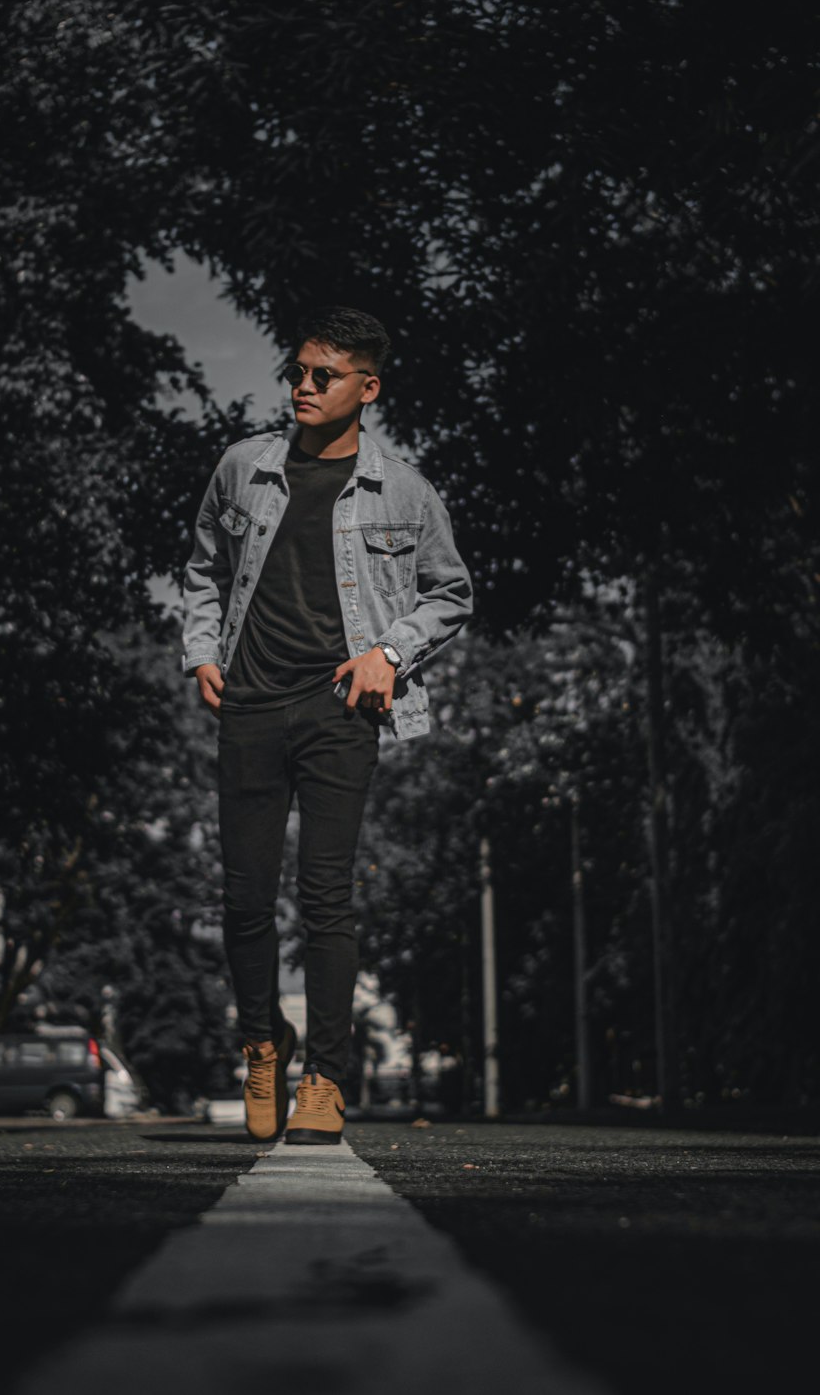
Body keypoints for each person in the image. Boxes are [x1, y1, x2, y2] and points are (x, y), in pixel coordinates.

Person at [181, 306, 473, 1145]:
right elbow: (204, 564)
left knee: (325, 901)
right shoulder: (244, 468)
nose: (303, 388)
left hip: (343, 709)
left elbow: (450, 592)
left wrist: (390, 650)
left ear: (367, 387)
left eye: (323, 376)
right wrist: (202, 649)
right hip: (250, 703)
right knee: (243, 897)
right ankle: (262, 1045)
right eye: (297, 372)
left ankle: (327, 1079)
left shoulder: (406, 490)